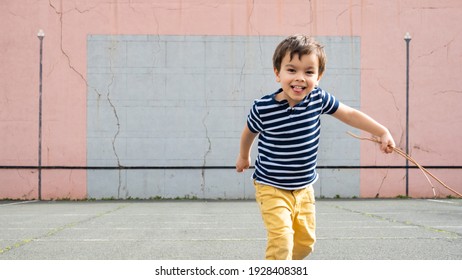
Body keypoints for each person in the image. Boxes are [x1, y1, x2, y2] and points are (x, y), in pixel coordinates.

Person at [235, 35, 395, 260]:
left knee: (305, 244)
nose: (300, 78)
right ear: (277, 73)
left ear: (318, 77)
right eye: (291, 70)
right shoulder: (263, 108)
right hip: (271, 186)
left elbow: (349, 114)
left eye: (309, 72)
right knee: (281, 240)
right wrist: (244, 156)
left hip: (303, 189)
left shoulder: (318, 99)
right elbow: (249, 132)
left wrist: (381, 131)